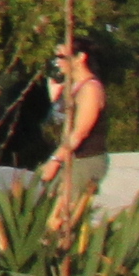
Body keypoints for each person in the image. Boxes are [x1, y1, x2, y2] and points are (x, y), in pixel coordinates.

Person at [43, 38, 109, 212]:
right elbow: (60, 123)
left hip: (84, 159)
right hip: (67, 157)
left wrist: (55, 161)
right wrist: (55, 96)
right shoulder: (69, 87)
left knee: (58, 217)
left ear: (80, 58)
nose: (57, 61)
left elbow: (79, 132)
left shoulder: (90, 89)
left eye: (62, 56)